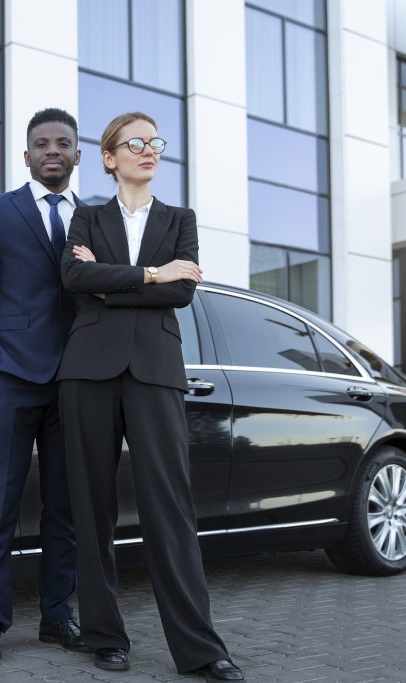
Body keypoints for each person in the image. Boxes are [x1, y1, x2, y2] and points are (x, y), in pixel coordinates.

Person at [57, 112, 244, 682]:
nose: (148, 150)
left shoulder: (180, 218)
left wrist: (120, 281)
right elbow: (72, 278)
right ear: (109, 157)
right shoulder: (86, 215)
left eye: (154, 142)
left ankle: (200, 649)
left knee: (170, 509)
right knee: (91, 508)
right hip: (88, 371)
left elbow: (184, 291)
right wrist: (150, 277)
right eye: (134, 143)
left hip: (156, 371)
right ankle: (104, 636)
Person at [0, 107, 86, 663]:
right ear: (27, 154)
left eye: (63, 142)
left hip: (76, 384)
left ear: (78, 155)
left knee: (66, 510)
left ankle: (59, 617)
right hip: (9, 378)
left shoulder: (97, 220)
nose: (52, 149)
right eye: (42, 142)